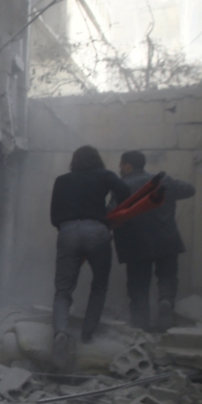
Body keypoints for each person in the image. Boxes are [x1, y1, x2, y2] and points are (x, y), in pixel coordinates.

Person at [49, 145, 131, 371]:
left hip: (67, 231)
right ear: (97, 159)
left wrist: (68, 228)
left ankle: (60, 333)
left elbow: (54, 215)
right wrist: (108, 210)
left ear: (74, 161)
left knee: (63, 290)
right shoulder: (105, 175)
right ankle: (88, 333)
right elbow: (125, 192)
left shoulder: (62, 180)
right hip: (97, 231)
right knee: (100, 284)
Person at [113, 151, 195, 332]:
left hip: (136, 245)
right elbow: (190, 189)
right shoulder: (161, 180)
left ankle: (140, 324)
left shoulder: (121, 186)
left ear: (128, 166)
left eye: (121, 164)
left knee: (138, 285)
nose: (119, 168)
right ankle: (165, 301)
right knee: (167, 277)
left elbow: (112, 213)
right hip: (166, 241)